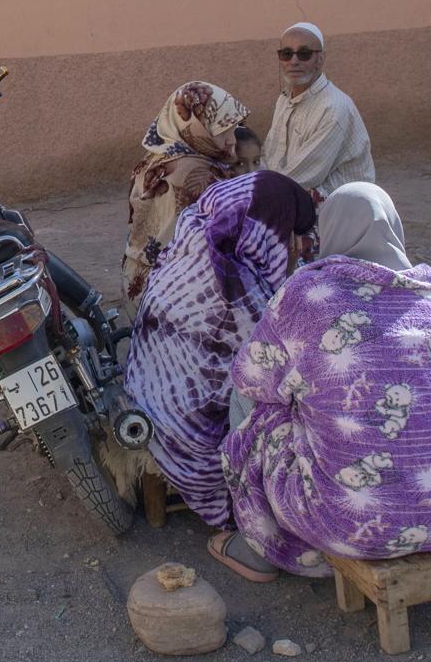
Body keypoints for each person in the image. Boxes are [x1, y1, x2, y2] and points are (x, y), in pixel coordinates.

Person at [211, 183, 431, 582]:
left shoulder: (305, 293)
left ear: (329, 230)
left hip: (344, 527)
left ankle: (260, 542)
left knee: (259, 411)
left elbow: (250, 378)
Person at [124, 171, 317, 529]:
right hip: (192, 444)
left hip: (148, 404)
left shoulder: (189, 246)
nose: (292, 247)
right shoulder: (237, 291)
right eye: (289, 235)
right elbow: (275, 372)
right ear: (269, 231)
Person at [122, 82, 259, 304]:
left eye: (234, 129)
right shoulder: (198, 173)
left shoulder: (156, 157)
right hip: (172, 292)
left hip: (138, 278)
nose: (232, 141)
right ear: (197, 128)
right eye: (223, 130)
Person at [260, 21, 374, 201]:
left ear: (320, 59)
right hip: (293, 188)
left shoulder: (333, 107)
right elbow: (269, 155)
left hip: (341, 205)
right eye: (287, 54)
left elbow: (304, 176)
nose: (294, 61)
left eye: (304, 54)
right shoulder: (284, 99)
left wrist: (255, 193)